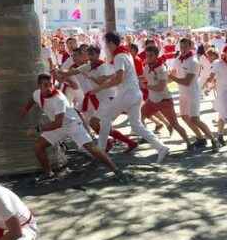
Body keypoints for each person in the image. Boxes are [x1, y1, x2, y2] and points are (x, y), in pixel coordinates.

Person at [21, 74, 127, 182]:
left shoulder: (59, 99)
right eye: (45, 85)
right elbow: (32, 100)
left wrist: (37, 129)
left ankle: (116, 170)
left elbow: (58, 123)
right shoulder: (37, 94)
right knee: (38, 147)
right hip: (58, 126)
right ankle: (49, 173)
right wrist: (24, 112)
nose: (49, 88)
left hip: (72, 124)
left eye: (51, 84)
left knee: (91, 147)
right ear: (39, 86)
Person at [91, 32, 169, 164]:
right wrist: (106, 78)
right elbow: (121, 75)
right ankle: (161, 147)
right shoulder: (125, 54)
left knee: (105, 120)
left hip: (126, 95)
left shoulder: (119, 57)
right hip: (134, 94)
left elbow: (119, 78)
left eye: (106, 44)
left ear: (111, 43)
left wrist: (99, 88)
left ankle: (101, 152)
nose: (106, 47)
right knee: (136, 125)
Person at [169, 38, 221, 151]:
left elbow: (187, 82)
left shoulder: (194, 61)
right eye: (181, 47)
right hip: (182, 93)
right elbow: (172, 75)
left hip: (193, 93)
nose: (182, 49)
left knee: (195, 119)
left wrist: (170, 77)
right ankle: (200, 138)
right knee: (184, 117)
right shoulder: (177, 59)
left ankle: (214, 140)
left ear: (190, 47)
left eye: (185, 47)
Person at [140, 46, 192, 149]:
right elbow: (145, 77)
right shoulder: (147, 67)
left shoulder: (162, 68)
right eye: (147, 55)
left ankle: (189, 143)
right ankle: (150, 139)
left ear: (156, 56)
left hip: (164, 101)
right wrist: (133, 78)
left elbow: (160, 87)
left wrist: (146, 86)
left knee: (175, 124)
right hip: (152, 100)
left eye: (151, 56)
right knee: (139, 118)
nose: (148, 58)